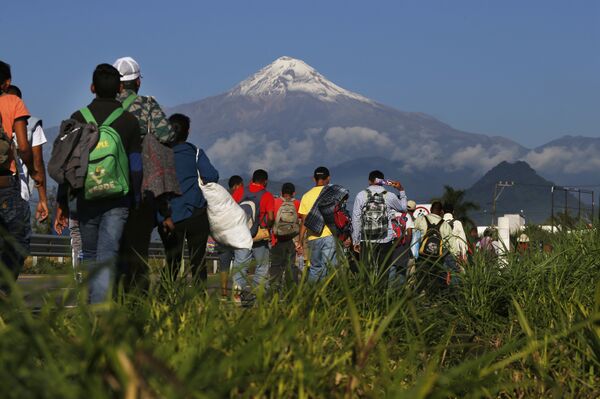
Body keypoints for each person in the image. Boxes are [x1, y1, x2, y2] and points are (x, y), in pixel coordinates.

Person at [54, 64, 142, 304]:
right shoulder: (128, 121)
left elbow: (67, 164)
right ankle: (99, 312)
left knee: (91, 255)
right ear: (120, 88)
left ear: (92, 87)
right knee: (107, 255)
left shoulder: (78, 118)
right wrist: (135, 198)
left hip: (85, 196)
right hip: (117, 199)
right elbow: (136, 165)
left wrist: (62, 201)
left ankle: (93, 306)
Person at [113, 56, 176, 291]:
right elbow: (167, 135)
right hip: (140, 185)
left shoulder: (105, 107)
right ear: (137, 82)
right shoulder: (147, 105)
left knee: (111, 248)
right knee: (138, 249)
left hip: (107, 185)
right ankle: (136, 303)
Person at [158, 113, 218, 284]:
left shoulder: (161, 155)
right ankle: (200, 301)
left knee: (172, 261)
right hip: (196, 213)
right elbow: (211, 176)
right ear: (188, 132)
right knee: (198, 261)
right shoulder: (196, 152)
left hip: (169, 215)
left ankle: (164, 298)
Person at [0, 61, 41, 291]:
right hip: (6, 184)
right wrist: (33, 171)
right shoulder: (13, 101)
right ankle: (4, 290)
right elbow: (24, 146)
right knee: (19, 241)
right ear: (7, 82)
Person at [351, 170, 407, 287]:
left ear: (369, 181)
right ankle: (381, 299)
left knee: (366, 272)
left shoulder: (361, 195)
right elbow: (403, 208)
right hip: (385, 239)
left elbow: (356, 219)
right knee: (383, 272)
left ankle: (366, 299)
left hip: (366, 240)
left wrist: (355, 240)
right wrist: (401, 190)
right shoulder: (389, 195)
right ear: (383, 181)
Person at [5, 85, 49, 223]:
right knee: (18, 241)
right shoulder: (32, 125)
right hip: (19, 194)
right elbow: (38, 162)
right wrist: (42, 199)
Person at [232, 169, 275, 300]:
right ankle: (258, 295)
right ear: (265, 181)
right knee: (261, 265)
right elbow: (271, 216)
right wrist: (268, 226)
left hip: (241, 235)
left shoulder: (240, 191)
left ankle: (237, 296)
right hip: (259, 236)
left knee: (240, 265)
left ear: (252, 179)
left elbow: (231, 209)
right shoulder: (267, 195)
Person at [298, 167, 336, 283]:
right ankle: (328, 295)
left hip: (313, 237)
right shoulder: (332, 194)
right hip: (329, 235)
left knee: (315, 268)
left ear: (314, 178)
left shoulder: (306, 196)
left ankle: (313, 296)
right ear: (328, 178)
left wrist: (300, 240)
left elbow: (304, 221)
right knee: (330, 267)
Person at [414, 201, 453, 290]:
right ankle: (433, 299)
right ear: (441, 212)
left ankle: (419, 297)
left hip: (422, 255)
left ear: (430, 209)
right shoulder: (445, 225)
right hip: (437, 258)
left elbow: (414, 235)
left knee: (421, 278)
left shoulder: (420, 219)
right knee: (436, 278)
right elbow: (450, 244)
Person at [215, 175, 244, 298]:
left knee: (224, 265)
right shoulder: (241, 198)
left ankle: (224, 293)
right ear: (237, 185)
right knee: (240, 263)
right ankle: (237, 294)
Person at [270, 182, 301, 287]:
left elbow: (270, 219)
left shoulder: (275, 202)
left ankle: (274, 292)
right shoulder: (297, 203)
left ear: (281, 192)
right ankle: (291, 292)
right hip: (291, 240)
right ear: (294, 193)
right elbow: (301, 219)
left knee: (275, 266)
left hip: (276, 239)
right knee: (291, 266)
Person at [442, 203, 468, 276]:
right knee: (456, 275)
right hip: (455, 254)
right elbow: (462, 240)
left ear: (443, 212)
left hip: (442, 254)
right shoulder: (457, 223)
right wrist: (463, 254)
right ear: (453, 211)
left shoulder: (440, 222)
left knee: (443, 275)